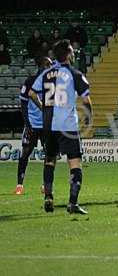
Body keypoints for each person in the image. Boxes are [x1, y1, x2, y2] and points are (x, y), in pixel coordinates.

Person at [30, 40, 92, 214]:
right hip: (67, 125)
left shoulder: (46, 73)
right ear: (68, 54)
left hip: (48, 124)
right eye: (71, 51)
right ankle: (72, 203)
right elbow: (86, 99)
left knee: (50, 160)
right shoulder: (74, 73)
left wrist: (43, 107)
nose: (73, 54)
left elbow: (31, 93)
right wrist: (88, 118)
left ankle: (48, 197)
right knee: (75, 163)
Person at [15, 57, 53, 195]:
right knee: (25, 154)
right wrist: (28, 123)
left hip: (46, 125)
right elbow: (23, 105)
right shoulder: (30, 81)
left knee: (48, 155)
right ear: (42, 66)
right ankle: (19, 184)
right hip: (32, 124)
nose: (50, 67)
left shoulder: (51, 83)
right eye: (48, 64)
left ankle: (45, 185)